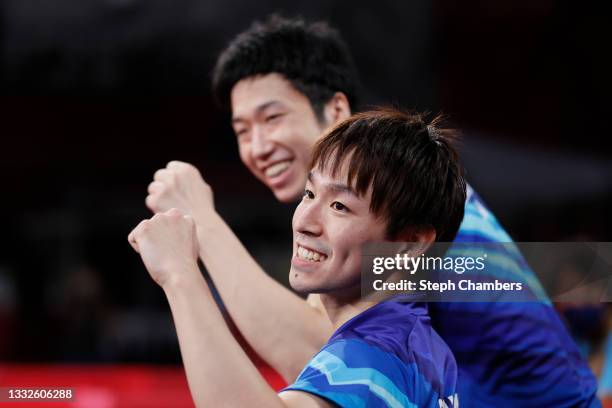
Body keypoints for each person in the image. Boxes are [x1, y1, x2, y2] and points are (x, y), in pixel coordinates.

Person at [144, 16, 599, 407]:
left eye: (272, 118)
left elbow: (313, 349)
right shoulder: (388, 211)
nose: (258, 147)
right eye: (242, 130)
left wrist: (199, 230)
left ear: (337, 108)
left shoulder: (416, 224)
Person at [129, 108, 463, 407]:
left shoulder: (376, 355)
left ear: (411, 243)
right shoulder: (418, 341)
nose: (304, 221)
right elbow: (300, 344)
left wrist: (180, 276)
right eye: (309, 193)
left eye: (339, 206)